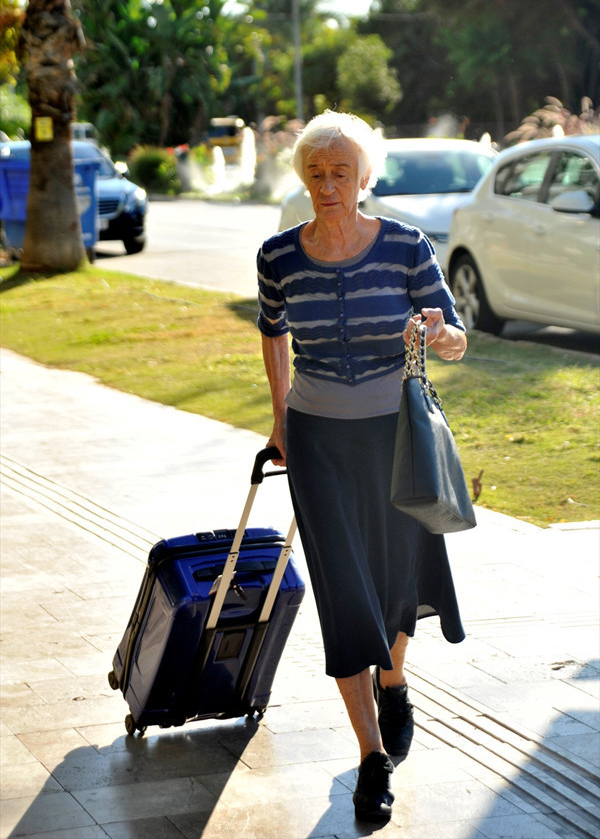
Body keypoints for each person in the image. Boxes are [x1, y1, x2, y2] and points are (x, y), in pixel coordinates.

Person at [257, 110, 467, 823]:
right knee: (345, 592)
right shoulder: (279, 256)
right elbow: (273, 331)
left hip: (395, 437)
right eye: (315, 173)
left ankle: (395, 676)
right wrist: (281, 415)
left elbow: (455, 335)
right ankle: (371, 756)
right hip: (318, 442)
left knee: (401, 574)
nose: (327, 185)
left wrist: (440, 335)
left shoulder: (406, 247)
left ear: (364, 178)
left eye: (340, 173)